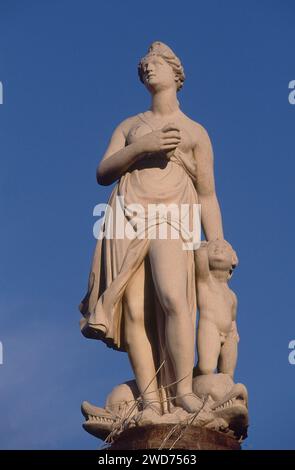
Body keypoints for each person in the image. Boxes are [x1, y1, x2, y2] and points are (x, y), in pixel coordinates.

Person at [80, 41, 224, 415]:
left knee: (174, 299)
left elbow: (207, 194)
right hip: (128, 212)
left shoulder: (195, 132)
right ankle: (148, 400)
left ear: (176, 73)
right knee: (134, 311)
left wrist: (218, 240)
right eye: (143, 66)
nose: (147, 69)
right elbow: (103, 172)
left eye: (154, 64)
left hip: (174, 213)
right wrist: (142, 147)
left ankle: (181, 391)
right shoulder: (130, 126)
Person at [194, 239, 239, 379]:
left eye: (224, 248)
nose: (219, 248)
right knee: (206, 368)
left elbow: (232, 318)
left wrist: (234, 331)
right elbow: (200, 261)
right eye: (214, 247)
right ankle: (192, 377)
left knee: (228, 375)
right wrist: (201, 248)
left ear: (233, 260)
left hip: (229, 334)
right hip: (210, 326)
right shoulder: (205, 280)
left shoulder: (232, 296)